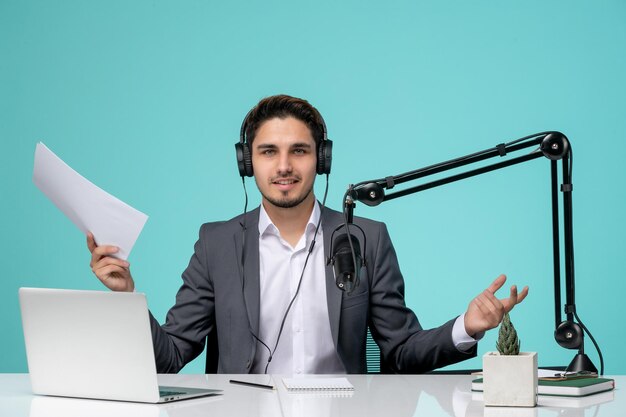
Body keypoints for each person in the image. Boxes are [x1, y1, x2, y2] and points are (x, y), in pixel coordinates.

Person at [87, 94, 528, 374]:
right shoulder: (216, 243)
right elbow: (170, 356)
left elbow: (400, 351)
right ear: (248, 163)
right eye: (268, 152)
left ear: (322, 160)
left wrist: (465, 328)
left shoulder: (366, 239)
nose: (283, 166)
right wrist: (127, 296)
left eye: (299, 151)